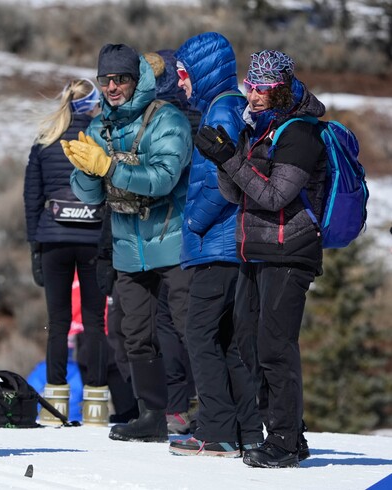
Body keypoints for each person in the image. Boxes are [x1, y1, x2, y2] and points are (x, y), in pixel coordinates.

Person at [195, 49, 327, 468]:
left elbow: (275, 196)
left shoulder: (300, 134)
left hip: (291, 251)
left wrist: (232, 160)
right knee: (249, 343)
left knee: (275, 346)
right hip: (257, 250)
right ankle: (286, 433)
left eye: (261, 89)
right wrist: (223, 160)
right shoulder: (263, 129)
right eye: (249, 87)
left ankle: (285, 440)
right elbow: (239, 194)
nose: (251, 95)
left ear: (281, 89)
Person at [64, 44, 193, 442]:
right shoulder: (101, 125)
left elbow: (161, 179)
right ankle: (152, 413)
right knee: (133, 334)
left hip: (172, 243)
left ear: (138, 80)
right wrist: (87, 172)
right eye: (106, 80)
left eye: (121, 79)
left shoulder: (167, 119)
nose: (113, 86)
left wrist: (109, 166)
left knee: (193, 331)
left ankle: (211, 410)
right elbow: (89, 195)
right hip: (127, 248)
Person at [166, 32, 263, 457]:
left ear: (203, 72)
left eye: (184, 75)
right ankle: (246, 428)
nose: (181, 84)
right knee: (225, 340)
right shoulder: (225, 107)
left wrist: (191, 220)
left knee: (200, 334)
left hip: (218, 244)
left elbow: (222, 183)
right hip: (229, 246)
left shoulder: (220, 110)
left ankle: (216, 429)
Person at [24, 78, 110, 426]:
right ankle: (96, 406)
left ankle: (55, 403)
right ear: (92, 105)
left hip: (53, 239)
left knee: (57, 323)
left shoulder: (44, 140)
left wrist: (34, 244)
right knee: (95, 323)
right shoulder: (101, 140)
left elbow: (32, 199)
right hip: (93, 239)